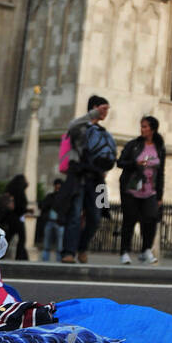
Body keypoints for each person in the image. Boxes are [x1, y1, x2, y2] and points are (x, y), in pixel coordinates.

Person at [60, 95, 117, 264]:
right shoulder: (81, 128)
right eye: (103, 108)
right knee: (75, 216)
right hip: (79, 177)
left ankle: (82, 248)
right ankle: (68, 252)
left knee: (97, 217)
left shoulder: (103, 132)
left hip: (98, 180)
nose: (106, 112)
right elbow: (71, 126)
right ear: (94, 107)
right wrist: (92, 113)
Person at [117, 116, 165, 265]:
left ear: (152, 129)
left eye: (145, 126)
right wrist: (135, 163)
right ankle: (124, 252)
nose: (142, 129)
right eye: (141, 126)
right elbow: (120, 162)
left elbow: (161, 172)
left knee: (151, 219)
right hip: (131, 189)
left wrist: (160, 194)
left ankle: (146, 250)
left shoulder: (159, 148)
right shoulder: (134, 144)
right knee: (129, 220)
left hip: (150, 191)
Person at [38, 178, 65, 263]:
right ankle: (45, 259)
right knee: (47, 243)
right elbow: (42, 205)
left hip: (59, 222)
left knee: (60, 245)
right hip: (49, 221)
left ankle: (59, 259)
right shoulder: (50, 196)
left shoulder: (64, 198)